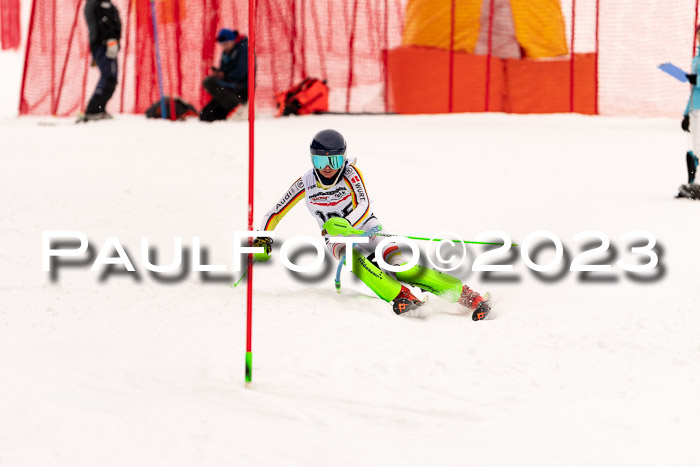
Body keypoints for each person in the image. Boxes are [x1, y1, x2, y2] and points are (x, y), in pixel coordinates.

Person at [252, 129, 491, 320]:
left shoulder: (351, 173)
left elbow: (364, 206)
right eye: (320, 160)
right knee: (357, 263)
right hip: (336, 240)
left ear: (343, 158)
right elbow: (274, 213)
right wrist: (262, 240)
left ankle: (467, 296)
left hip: (368, 228)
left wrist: (346, 226)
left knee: (402, 266)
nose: (327, 168)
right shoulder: (305, 183)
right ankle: (400, 296)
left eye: (334, 160)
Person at [81, 0, 121, 122]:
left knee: (112, 78)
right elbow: (100, 24)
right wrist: (108, 39)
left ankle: (100, 108)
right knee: (108, 76)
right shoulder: (94, 4)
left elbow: (115, 23)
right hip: (101, 45)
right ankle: (93, 109)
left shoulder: (108, 4)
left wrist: (115, 40)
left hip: (110, 44)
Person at [200, 28, 249, 122]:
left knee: (209, 82)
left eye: (225, 43)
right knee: (205, 115)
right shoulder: (226, 52)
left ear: (232, 40)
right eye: (222, 44)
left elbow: (241, 73)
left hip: (241, 88)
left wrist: (223, 75)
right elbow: (225, 69)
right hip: (229, 88)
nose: (223, 46)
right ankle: (233, 109)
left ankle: (240, 108)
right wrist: (219, 73)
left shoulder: (244, 50)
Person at [679, 25, 700, 198]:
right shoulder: (696, 58)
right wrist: (686, 114)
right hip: (695, 109)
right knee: (695, 148)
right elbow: (694, 90)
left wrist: (696, 79)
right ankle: (694, 183)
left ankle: (697, 184)